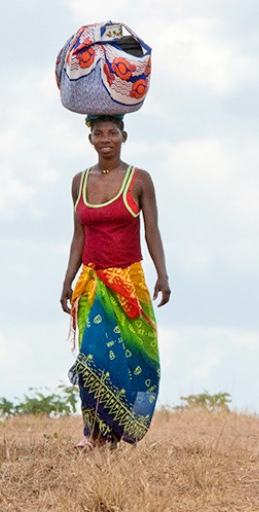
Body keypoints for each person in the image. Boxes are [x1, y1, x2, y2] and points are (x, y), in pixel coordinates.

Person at [60, 114, 170, 450]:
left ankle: (115, 431)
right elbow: (79, 234)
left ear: (124, 136)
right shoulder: (79, 181)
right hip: (92, 282)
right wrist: (67, 280)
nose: (105, 139)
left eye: (112, 133)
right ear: (89, 139)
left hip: (129, 283)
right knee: (92, 357)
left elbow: (151, 230)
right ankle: (91, 434)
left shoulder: (140, 180)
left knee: (134, 360)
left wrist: (162, 274)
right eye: (98, 133)